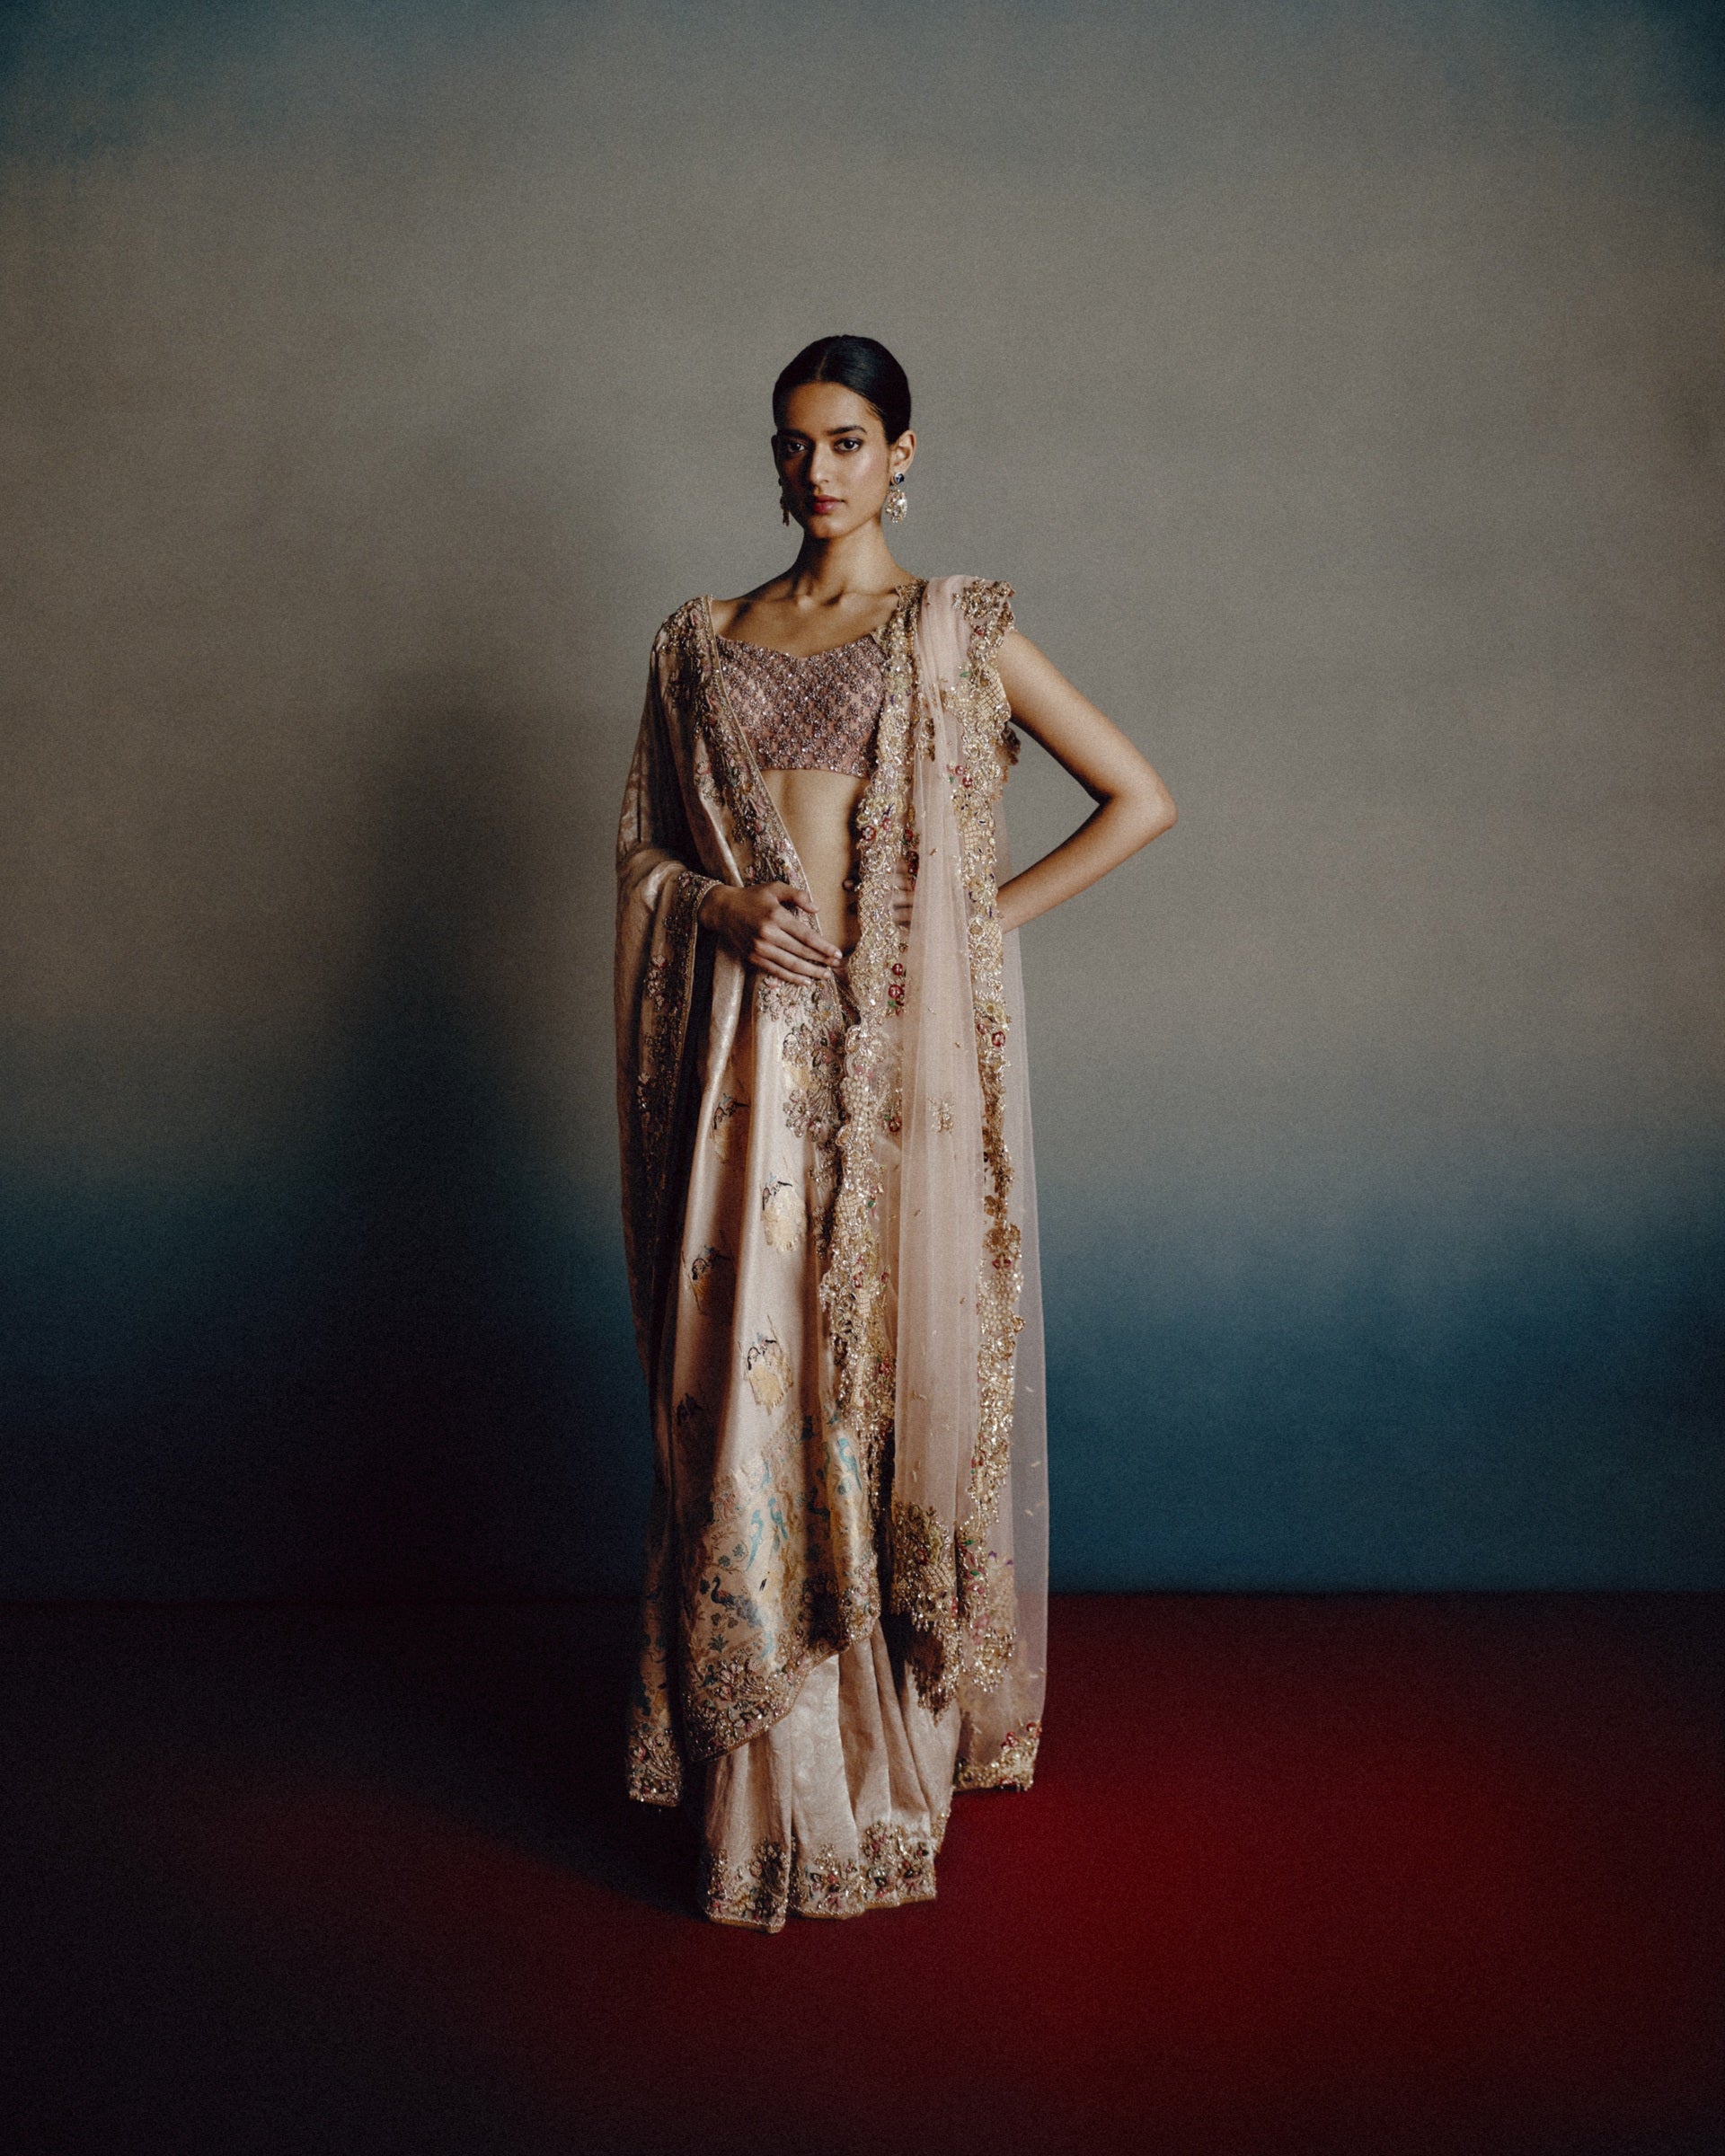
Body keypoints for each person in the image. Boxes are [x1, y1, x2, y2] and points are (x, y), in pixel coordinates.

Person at [615, 333, 1176, 1931]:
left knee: (877, 1376)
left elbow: (1138, 798)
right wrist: (718, 906)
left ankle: (869, 1767)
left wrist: (958, 935)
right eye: (794, 444)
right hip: (746, 1071)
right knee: (743, 1389)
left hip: (895, 1071)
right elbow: (643, 855)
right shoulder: (700, 640)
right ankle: (759, 1782)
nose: (818, 471)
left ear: (903, 454)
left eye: (849, 441)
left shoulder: (951, 629)